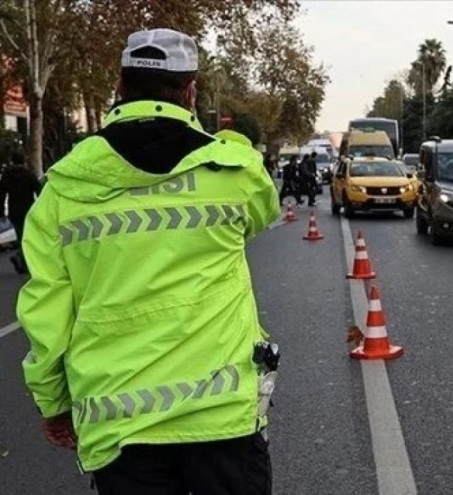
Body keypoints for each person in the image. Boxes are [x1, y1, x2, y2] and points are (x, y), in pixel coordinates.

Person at [16, 28, 280, 494]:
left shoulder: (63, 187)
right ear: (191, 91)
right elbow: (263, 211)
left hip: (119, 425)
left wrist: (53, 402)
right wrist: (228, 143)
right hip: (220, 420)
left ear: (120, 86)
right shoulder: (233, 172)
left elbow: (46, 313)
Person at [0, 151, 41, 274]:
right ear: (24, 161)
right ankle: (22, 259)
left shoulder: (7, 175)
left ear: (12, 161)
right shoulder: (29, 175)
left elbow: (1, 194)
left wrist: (1, 212)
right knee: (29, 236)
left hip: (14, 210)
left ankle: (22, 259)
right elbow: (39, 192)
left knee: (20, 236)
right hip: (28, 209)